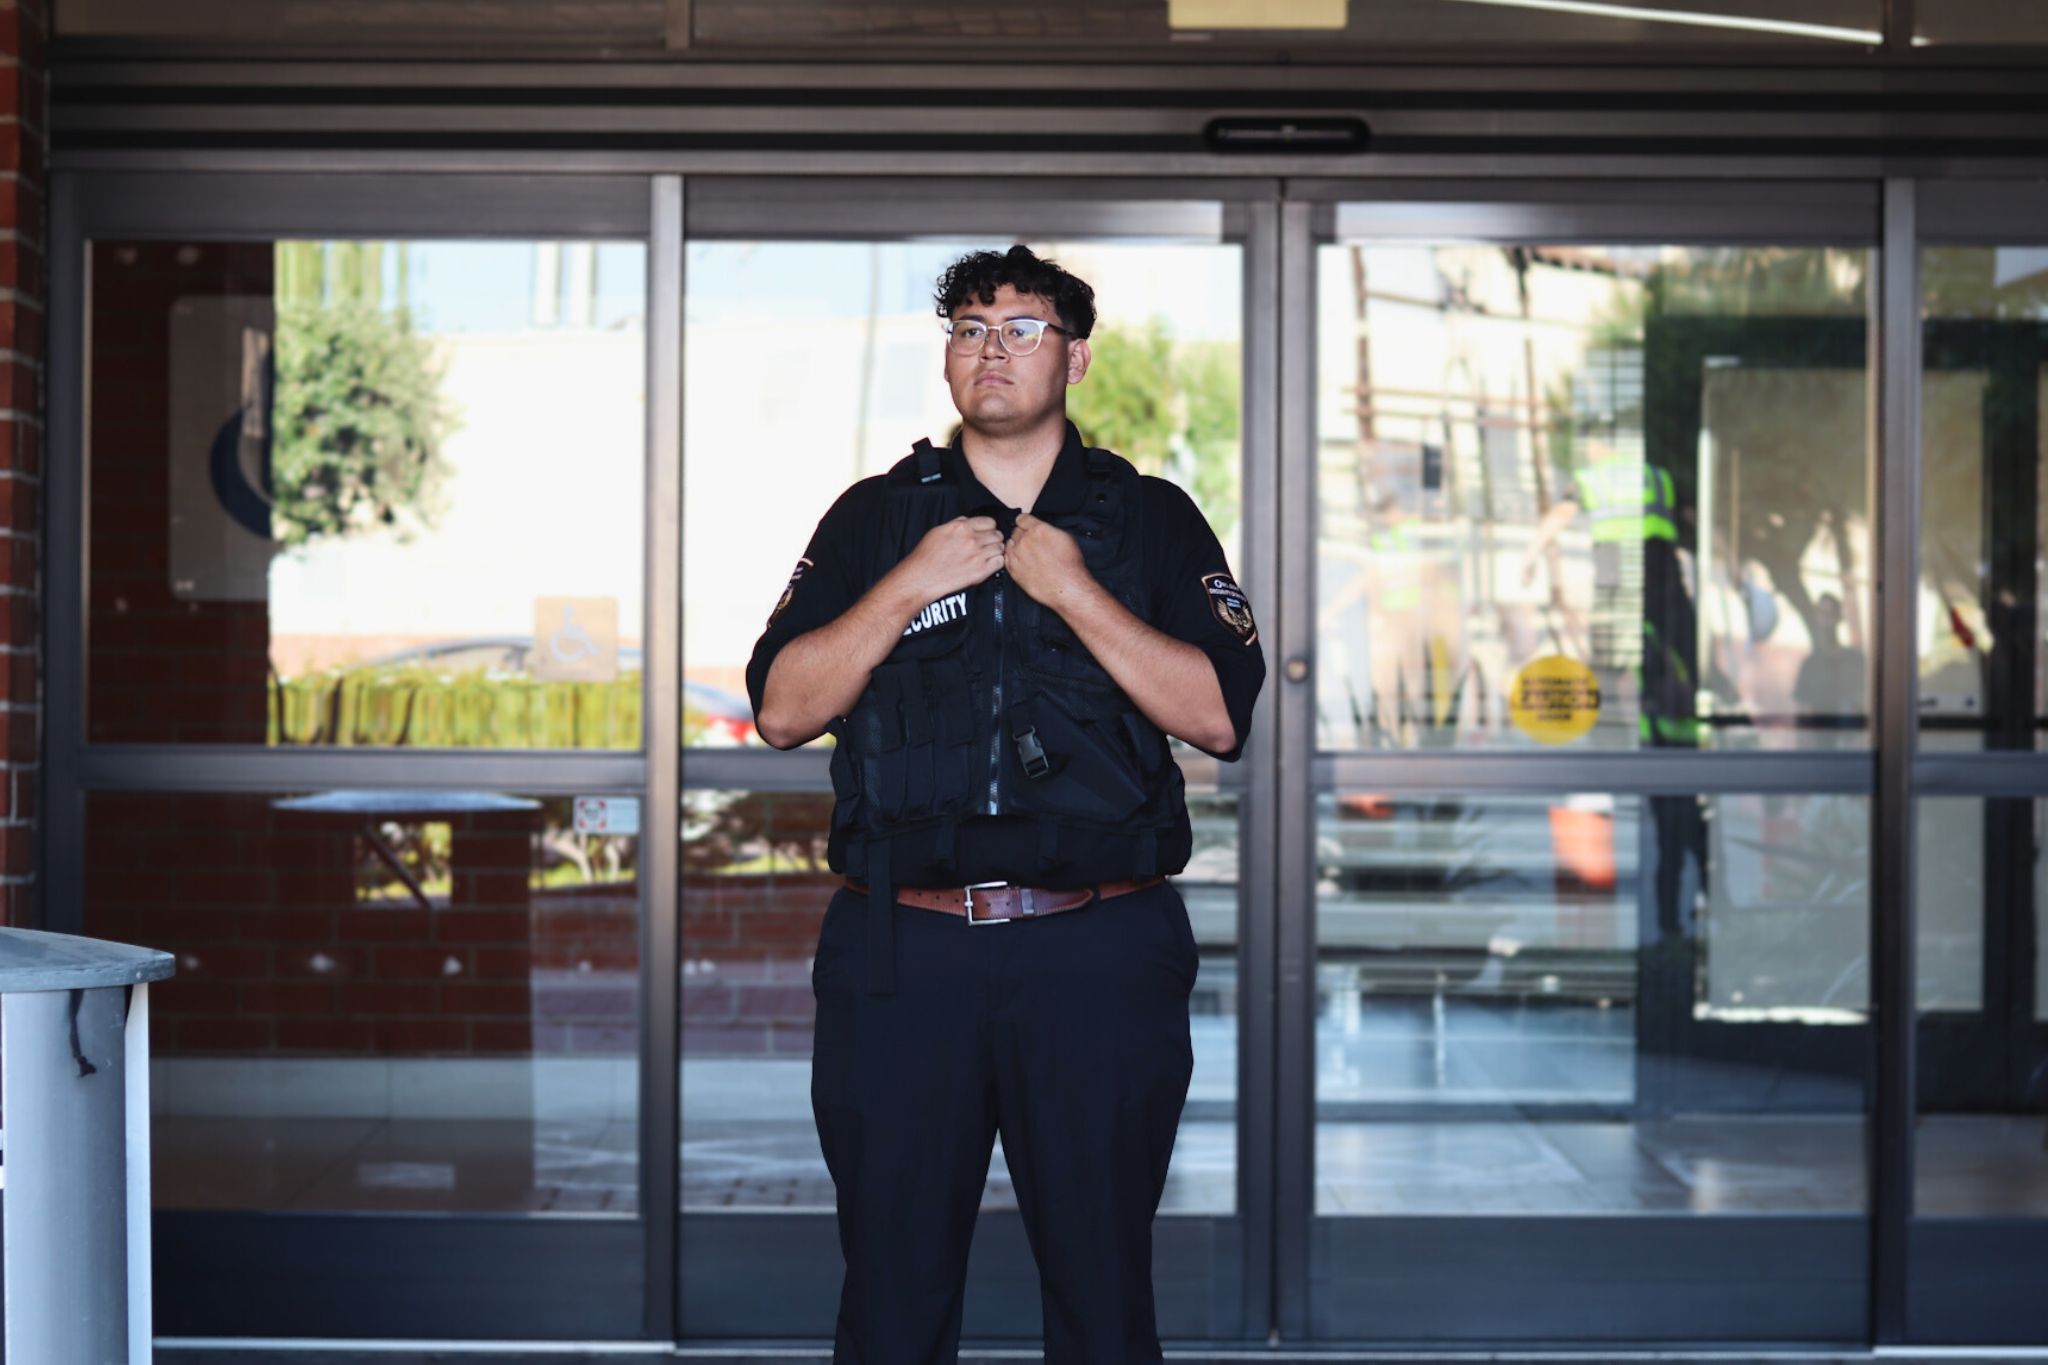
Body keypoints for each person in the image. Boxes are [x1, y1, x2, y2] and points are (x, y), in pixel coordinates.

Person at [746, 245, 1265, 1364]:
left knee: (1100, 1291)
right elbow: (784, 710)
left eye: (1020, 328)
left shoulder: (1150, 522)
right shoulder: (875, 522)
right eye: (970, 326)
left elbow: (1219, 715)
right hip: (903, 952)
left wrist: (1071, 591)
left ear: (1073, 358)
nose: (991, 347)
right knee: (890, 1292)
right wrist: (907, 584)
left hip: (1098, 950)